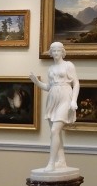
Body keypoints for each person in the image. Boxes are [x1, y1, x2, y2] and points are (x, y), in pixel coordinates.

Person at [29, 42, 80, 170]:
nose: (56, 53)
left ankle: (51, 163)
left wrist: (74, 101)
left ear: (62, 52)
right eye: (54, 51)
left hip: (65, 97)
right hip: (52, 99)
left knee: (54, 131)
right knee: (55, 133)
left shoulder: (68, 65)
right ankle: (61, 161)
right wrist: (37, 82)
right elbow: (48, 87)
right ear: (51, 53)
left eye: (58, 51)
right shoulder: (51, 68)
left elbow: (76, 83)